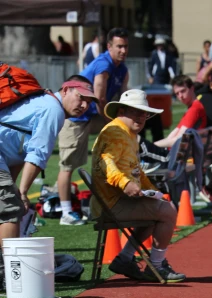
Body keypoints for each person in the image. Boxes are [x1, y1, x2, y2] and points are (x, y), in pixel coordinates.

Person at [91, 89, 185, 284]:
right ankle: (157, 266)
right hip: (112, 203)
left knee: (159, 211)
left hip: (112, 201)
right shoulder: (116, 132)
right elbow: (105, 161)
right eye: (136, 112)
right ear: (121, 112)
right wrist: (125, 183)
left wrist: (153, 191)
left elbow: (137, 171)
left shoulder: (127, 133)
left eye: (144, 113)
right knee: (168, 212)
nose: (142, 117)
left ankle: (125, 259)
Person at [0, 77, 95, 242]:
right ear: (65, 90)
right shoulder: (54, 110)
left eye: (89, 102)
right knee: (12, 210)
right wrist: (21, 193)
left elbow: (19, 150)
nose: (84, 106)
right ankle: (6, 266)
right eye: (81, 97)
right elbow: (37, 154)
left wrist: (16, 189)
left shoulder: (45, 101)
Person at [57, 26, 129, 226]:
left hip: (92, 117)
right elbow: (100, 99)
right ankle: (65, 213)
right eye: (119, 46)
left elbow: (123, 97)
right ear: (109, 46)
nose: (123, 51)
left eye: (126, 46)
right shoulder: (103, 64)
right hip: (76, 118)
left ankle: (117, 195)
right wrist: (113, 122)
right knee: (67, 165)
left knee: (124, 135)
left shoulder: (122, 69)